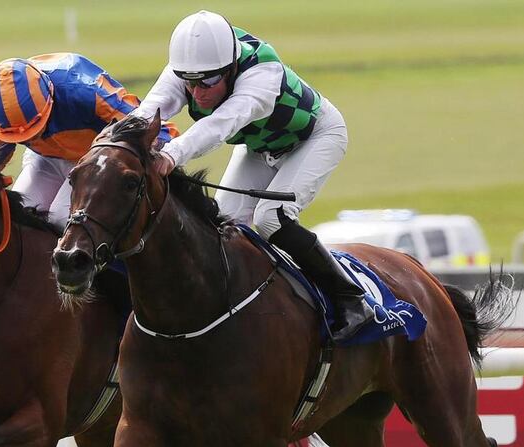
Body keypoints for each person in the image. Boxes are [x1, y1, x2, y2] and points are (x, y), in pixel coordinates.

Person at [133, 11, 373, 341]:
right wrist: (121, 140)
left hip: (315, 136)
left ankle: (350, 297)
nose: (198, 93)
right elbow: (152, 108)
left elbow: (220, 125)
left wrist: (172, 154)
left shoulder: (263, 74)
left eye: (208, 83)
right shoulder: (193, 66)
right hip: (260, 146)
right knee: (226, 225)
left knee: (271, 219)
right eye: (190, 82)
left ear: (231, 69)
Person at [0, 53, 177, 228]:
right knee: (20, 217)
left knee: (62, 218)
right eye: (21, 137)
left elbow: (152, 127)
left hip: (96, 161)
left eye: (36, 127)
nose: (33, 137)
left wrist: (169, 154)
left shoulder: (87, 90)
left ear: (50, 97)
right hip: (45, 159)